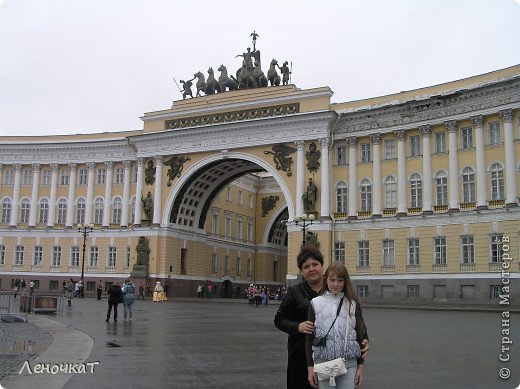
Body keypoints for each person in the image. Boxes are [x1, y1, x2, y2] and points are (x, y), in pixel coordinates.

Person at [274, 246, 369, 389]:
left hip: (332, 359)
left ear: (322, 266)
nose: (311, 269)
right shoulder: (295, 292)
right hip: (300, 357)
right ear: (302, 271)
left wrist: (365, 339)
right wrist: (298, 327)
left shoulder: (337, 291)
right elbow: (279, 319)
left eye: (315, 264)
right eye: (306, 266)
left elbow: (355, 321)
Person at [306, 262, 368, 389]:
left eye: (340, 280)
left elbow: (360, 333)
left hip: (348, 365)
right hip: (323, 365)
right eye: (332, 280)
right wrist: (310, 367)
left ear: (345, 282)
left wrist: (360, 366)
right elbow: (309, 338)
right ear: (326, 280)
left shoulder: (352, 303)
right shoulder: (315, 303)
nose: (335, 284)